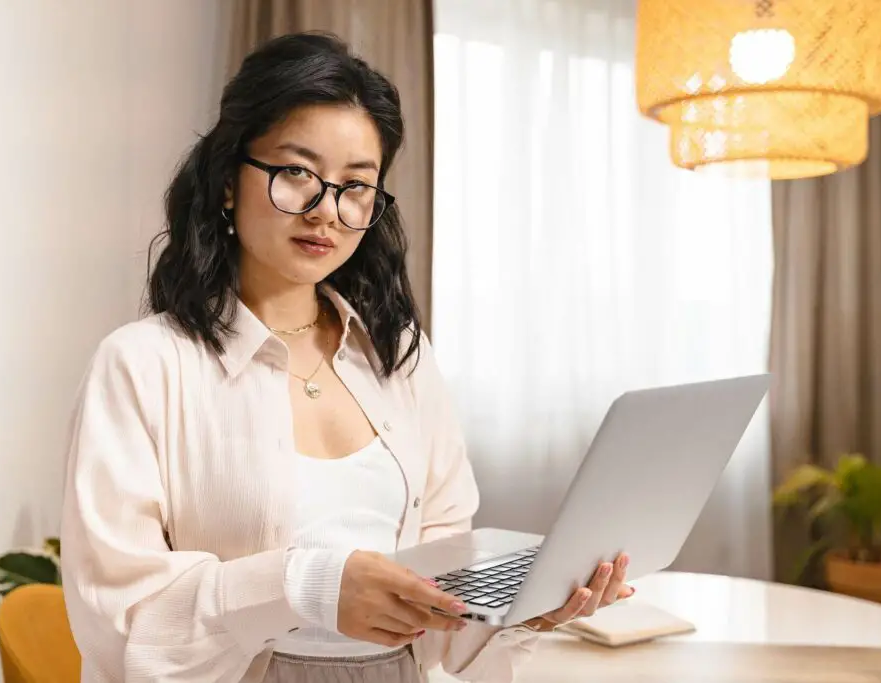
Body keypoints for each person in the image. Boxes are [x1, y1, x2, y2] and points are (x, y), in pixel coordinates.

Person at [59, 31, 632, 683]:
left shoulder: (401, 358)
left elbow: (444, 615)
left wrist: (529, 612)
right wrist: (309, 584)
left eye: (356, 185)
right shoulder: (142, 365)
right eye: (297, 172)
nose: (326, 211)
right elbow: (121, 619)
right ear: (226, 181)